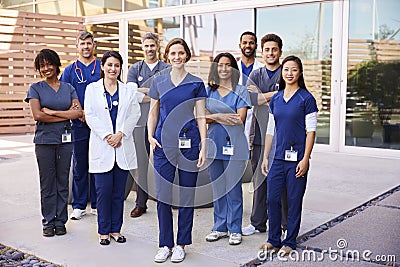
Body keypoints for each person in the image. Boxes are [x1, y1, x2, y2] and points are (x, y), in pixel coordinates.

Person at [148, 38, 206, 263]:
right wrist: (150, 137)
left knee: (186, 195)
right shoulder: (158, 82)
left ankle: (181, 243)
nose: (177, 57)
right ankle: (165, 244)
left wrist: (202, 143)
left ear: (187, 55)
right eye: (173, 53)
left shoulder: (196, 83)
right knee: (163, 195)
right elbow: (153, 113)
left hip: (189, 144)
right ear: (167, 56)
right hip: (164, 144)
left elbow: (201, 115)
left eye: (181, 53)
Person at [259, 55, 318, 256]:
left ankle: (289, 241)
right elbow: (270, 129)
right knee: (272, 200)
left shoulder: (306, 99)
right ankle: (273, 239)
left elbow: (311, 132)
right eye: (286, 70)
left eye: (293, 69)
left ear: (299, 72)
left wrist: (305, 158)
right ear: (282, 73)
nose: (289, 73)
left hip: (297, 160)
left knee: (293, 200)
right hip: (277, 159)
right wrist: (266, 156)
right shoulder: (276, 98)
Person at [84, 51, 141, 245]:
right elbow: (90, 115)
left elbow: (135, 113)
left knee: (118, 194)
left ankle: (116, 229)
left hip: (122, 146)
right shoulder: (92, 89)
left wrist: (121, 134)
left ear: (120, 68)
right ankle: (103, 231)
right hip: (103, 146)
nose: (113, 69)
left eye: (117, 65)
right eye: (109, 65)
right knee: (103, 192)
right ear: (102, 66)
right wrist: (107, 136)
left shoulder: (127, 91)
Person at [25, 49, 83, 237]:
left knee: (62, 181)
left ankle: (60, 221)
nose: (46, 68)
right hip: (44, 142)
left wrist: (52, 112)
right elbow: (37, 115)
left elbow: (78, 113)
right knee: (47, 182)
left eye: (49, 64)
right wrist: (65, 115)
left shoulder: (68, 88)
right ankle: (48, 221)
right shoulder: (35, 88)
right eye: (42, 66)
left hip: (65, 141)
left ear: (56, 64)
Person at [242, 33, 288, 236]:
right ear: (262, 51)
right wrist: (276, 95)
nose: (270, 53)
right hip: (259, 135)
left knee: (284, 184)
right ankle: (258, 222)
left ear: (280, 51)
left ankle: (285, 225)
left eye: (274, 49)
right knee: (259, 181)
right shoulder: (256, 74)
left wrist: (262, 96)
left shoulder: (286, 72)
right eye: (267, 49)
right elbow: (250, 99)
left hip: (283, 137)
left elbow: (289, 96)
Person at [204, 53, 251, 246]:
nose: (224, 68)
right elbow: (201, 117)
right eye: (220, 65)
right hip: (213, 145)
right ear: (215, 68)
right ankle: (219, 227)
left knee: (233, 189)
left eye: (228, 65)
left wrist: (214, 115)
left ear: (233, 69)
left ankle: (234, 229)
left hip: (235, 146)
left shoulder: (241, 91)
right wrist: (223, 116)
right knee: (218, 189)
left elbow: (239, 119)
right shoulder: (208, 90)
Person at [127, 32, 169, 218]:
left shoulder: (166, 68)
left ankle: (165, 200)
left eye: (152, 45)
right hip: (140, 123)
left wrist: (143, 92)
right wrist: (154, 92)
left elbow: (167, 93)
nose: (149, 49)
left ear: (157, 46)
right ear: (142, 47)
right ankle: (141, 203)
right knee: (141, 164)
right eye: (146, 46)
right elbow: (130, 94)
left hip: (164, 123)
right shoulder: (135, 69)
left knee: (165, 163)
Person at [60, 31, 101, 220]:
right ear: (77, 46)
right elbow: (65, 94)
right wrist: (80, 113)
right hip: (79, 123)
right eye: (82, 43)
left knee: (99, 162)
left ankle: (97, 203)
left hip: (101, 124)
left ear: (94, 46)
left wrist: (92, 115)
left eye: (89, 43)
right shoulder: (69, 71)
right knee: (80, 163)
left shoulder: (102, 66)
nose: (85, 47)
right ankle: (79, 205)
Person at [237, 31, 264, 152]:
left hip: (255, 118)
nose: (248, 46)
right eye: (245, 43)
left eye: (251, 43)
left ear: (256, 46)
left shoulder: (262, 70)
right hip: (236, 116)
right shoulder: (232, 68)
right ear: (240, 45)